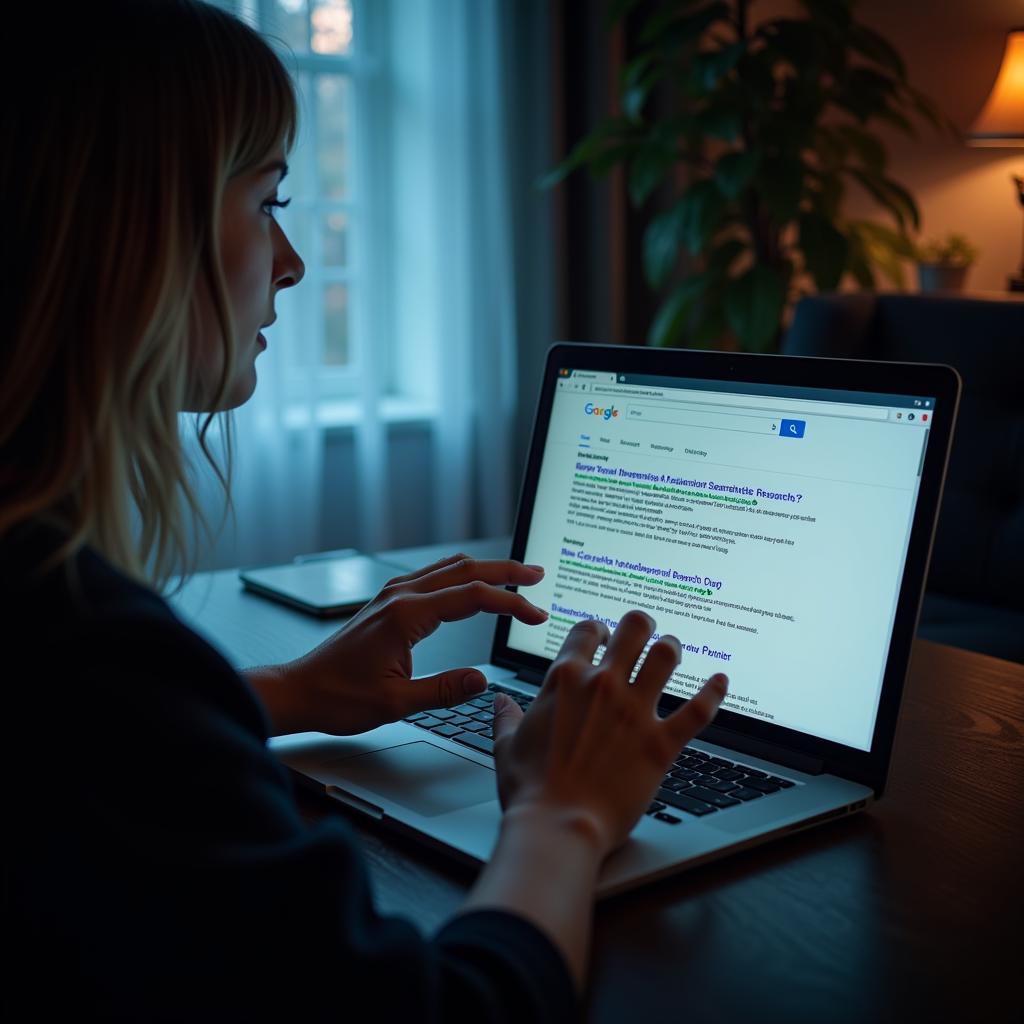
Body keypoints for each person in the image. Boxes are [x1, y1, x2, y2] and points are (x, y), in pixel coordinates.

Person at [1, 2, 728, 1019]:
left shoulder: (61, 632)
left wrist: (281, 693)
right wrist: (563, 813)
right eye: (266, 202)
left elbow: (91, 755)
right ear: (129, 227)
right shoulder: (77, 645)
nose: (291, 262)